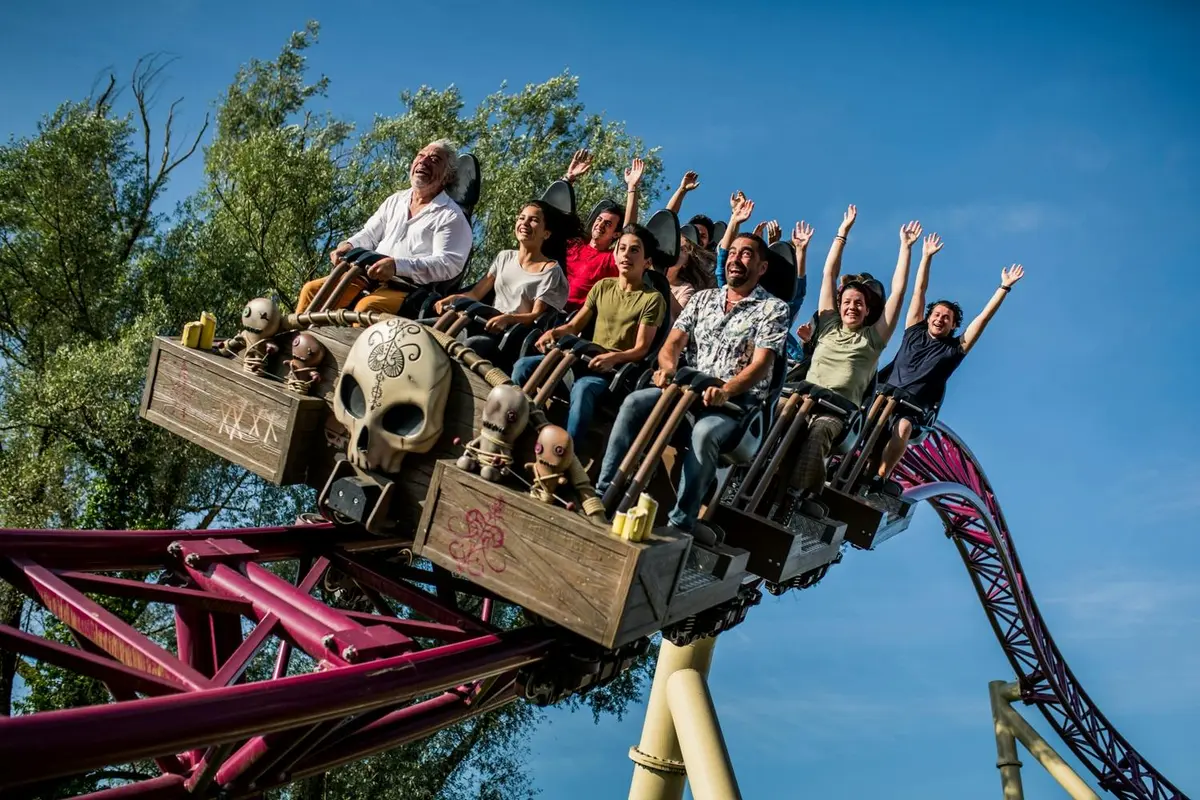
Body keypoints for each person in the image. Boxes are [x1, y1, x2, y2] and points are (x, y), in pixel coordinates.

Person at [596, 231, 790, 544]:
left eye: (746, 254)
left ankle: (681, 523)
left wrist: (727, 389)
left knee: (704, 433)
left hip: (732, 405)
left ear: (762, 267)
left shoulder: (773, 309)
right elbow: (673, 343)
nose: (736, 260)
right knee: (634, 403)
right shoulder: (703, 299)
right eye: (733, 252)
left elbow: (761, 365)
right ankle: (604, 491)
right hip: (686, 390)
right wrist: (667, 370)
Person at [782, 205, 922, 519]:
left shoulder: (873, 339)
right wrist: (842, 233)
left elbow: (898, 293)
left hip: (837, 412)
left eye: (859, 303)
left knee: (819, 433)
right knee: (774, 413)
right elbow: (829, 275)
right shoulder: (828, 325)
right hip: (801, 397)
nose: (852, 307)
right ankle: (749, 473)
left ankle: (800, 495)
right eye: (847, 302)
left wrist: (906, 248)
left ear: (868, 310)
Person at [870, 238, 1026, 489]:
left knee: (903, 427)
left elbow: (982, 319)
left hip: (912, 409)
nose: (940, 319)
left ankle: (881, 476)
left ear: (953, 325)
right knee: (864, 419)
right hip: (882, 396)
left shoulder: (953, 349)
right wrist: (926, 257)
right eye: (937, 314)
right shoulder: (914, 331)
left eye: (947, 318)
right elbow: (919, 291)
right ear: (928, 317)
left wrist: (1003, 288)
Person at [511, 224, 667, 445]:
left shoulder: (652, 299)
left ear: (647, 262)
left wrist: (613, 357)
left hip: (612, 373)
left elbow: (641, 349)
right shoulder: (603, 287)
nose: (626, 255)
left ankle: (566, 451)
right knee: (523, 366)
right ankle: (517, 429)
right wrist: (553, 333)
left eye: (634, 250)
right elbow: (575, 325)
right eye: (622, 248)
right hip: (581, 359)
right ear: (615, 254)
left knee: (583, 388)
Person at [298, 139, 473, 313]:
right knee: (312, 291)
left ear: (448, 176)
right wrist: (349, 245)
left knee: (367, 308)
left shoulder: (451, 215)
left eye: (434, 160)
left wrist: (397, 266)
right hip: (367, 276)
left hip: (409, 289)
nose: (424, 161)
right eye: (420, 155)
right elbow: (369, 235)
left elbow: (447, 263)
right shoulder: (395, 200)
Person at [432, 200, 569, 361]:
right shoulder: (504, 257)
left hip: (508, 337)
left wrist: (508, 318)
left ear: (546, 233)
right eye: (522, 218)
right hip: (482, 322)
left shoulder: (550, 271)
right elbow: (475, 294)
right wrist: (452, 299)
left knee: (468, 346)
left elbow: (535, 316)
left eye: (534, 220)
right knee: (425, 327)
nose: (525, 223)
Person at [716, 195, 812, 361]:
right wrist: (734, 220)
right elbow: (723, 264)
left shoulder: (778, 312)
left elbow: (797, 292)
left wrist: (800, 252)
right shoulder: (731, 297)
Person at [559, 150, 647, 310]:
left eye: (607, 224)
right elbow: (550, 218)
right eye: (599, 220)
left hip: (572, 317)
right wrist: (568, 178)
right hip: (546, 306)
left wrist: (632, 188)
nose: (600, 225)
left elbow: (629, 231)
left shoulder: (609, 260)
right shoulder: (573, 245)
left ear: (616, 234)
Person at [665, 236, 716, 316]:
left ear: (686, 262)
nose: (676, 251)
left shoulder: (686, 289)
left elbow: (679, 317)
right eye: (674, 245)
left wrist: (664, 287)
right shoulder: (647, 271)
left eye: (682, 249)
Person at [663, 170, 715, 249]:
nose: (697, 238)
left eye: (703, 236)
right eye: (694, 233)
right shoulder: (672, 252)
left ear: (708, 242)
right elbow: (667, 219)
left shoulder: (713, 257)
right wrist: (682, 189)